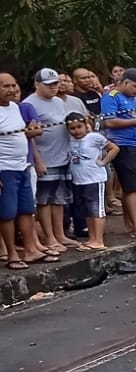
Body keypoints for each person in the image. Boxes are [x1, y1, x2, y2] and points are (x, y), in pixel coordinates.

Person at [24, 68, 88, 254]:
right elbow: (30, 136)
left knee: (59, 200)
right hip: (45, 158)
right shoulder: (30, 104)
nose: (54, 88)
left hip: (63, 157)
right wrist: (38, 160)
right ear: (37, 84)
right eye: (49, 85)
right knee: (45, 200)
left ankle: (60, 234)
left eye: (55, 84)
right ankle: (49, 237)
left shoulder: (60, 102)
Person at [0, 73, 46, 269]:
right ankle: (12, 255)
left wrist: (31, 131)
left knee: (27, 210)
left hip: (23, 166)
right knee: (7, 213)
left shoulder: (15, 108)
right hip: (5, 169)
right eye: (6, 86)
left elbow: (17, 134)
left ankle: (30, 250)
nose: (11, 90)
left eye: (13, 85)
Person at [101, 69, 136, 240]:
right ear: (124, 82)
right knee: (131, 189)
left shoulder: (133, 98)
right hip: (124, 145)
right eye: (135, 86)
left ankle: (129, 224)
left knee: (132, 187)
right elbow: (110, 121)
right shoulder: (111, 97)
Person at [65, 112, 114, 250]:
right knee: (87, 211)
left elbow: (113, 148)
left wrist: (104, 161)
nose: (76, 131)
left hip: (94, 179)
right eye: (72, 128)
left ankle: (99, 239)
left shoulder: (94, 138)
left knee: (96, 210)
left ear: (86, 125)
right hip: (79, 180)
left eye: (79, 127)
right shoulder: (71, 140)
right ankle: (92, 237)